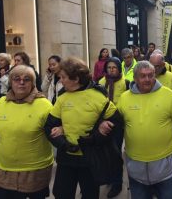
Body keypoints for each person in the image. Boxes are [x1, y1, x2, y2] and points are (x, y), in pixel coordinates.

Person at [106, 61, 172, 199]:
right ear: (135, 78)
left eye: (150, 75)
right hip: (136, 169)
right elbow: (115, 123)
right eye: (142, 76)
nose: (147, 79)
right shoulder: (124, 98)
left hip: (165, 168)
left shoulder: (168, 95)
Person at [44, 57, 121, 199]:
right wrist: (62, 141)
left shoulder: (98, 96)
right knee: (61, 194)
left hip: (91, 158)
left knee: (90, 195)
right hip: (66, 157)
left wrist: (102, 129)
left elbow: (117, 121)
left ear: (76, 79)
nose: (61, 80)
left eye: (63, 77)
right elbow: (49, 125)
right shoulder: (62, 98)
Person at [0, 65, 54, 199]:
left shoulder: (45, 105)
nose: (21, 82)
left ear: (33, 83)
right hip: (5, 173)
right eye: (17, 79)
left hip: (35, 175)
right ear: (10, 82)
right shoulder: (0, 104)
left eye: (26, 79)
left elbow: (58, 132)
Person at [98, 57, 128, 198]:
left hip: (119, 122)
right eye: (109, 67)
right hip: (104, 122)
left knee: (116, 153)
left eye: (114, 67)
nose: (111, 70)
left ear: (118, 68)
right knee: (106, 153)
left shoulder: (125, 82)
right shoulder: (101, 83)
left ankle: (117, 183)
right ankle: (109, 178)